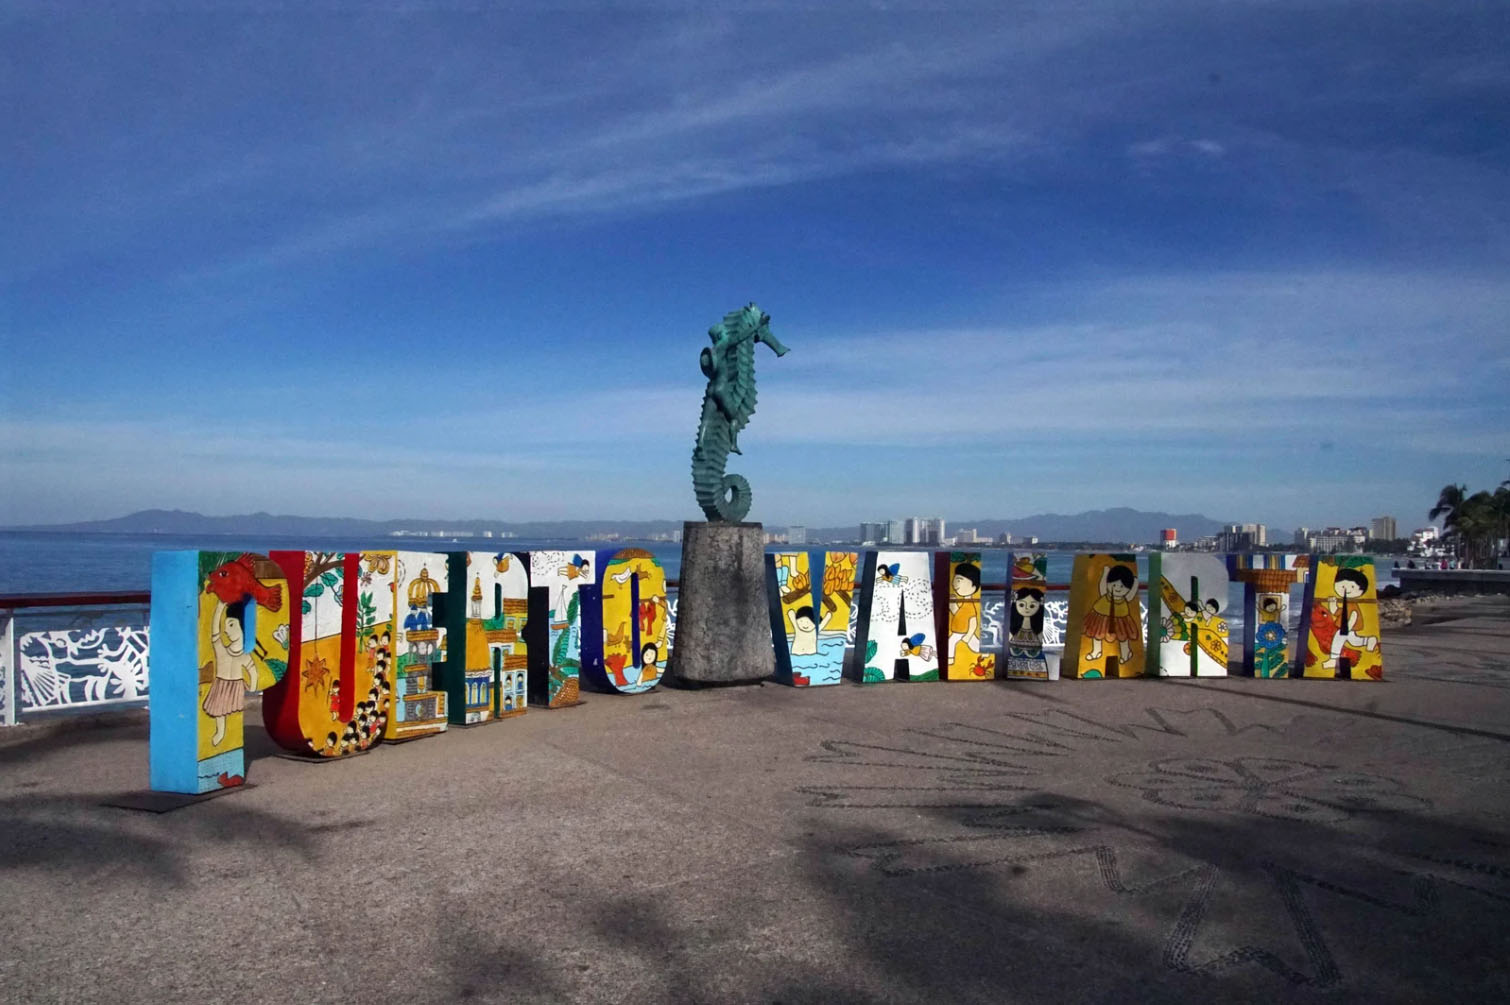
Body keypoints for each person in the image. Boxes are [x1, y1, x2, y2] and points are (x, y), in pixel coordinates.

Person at [204, 600, 258, 747]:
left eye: (231, 625)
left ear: (243, 626)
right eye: (226, 625)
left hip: (235, 686)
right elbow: (215, 632)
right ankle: (220, 732)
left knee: (229, 712)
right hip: (221, 684)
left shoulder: (244, 655)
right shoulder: (222, 650)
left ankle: (225, 735)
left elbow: (252, 671)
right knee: (219, 711)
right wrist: (219, 609)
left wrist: (253, 685)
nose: (227, 630)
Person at [1084, 563, 1140, 666]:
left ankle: (1126, 652)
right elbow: (1102, 587)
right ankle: (1096, 651)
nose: (1117, 588)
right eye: (1114, 585)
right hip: (1101, 617)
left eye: (1122, 586)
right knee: (1097, 635)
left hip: (1120, 619)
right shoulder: (1106, 595)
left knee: (1123, 637)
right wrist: (1105, 574)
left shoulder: (1124, 599)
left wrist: (1135, 584)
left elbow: (1131, 595)